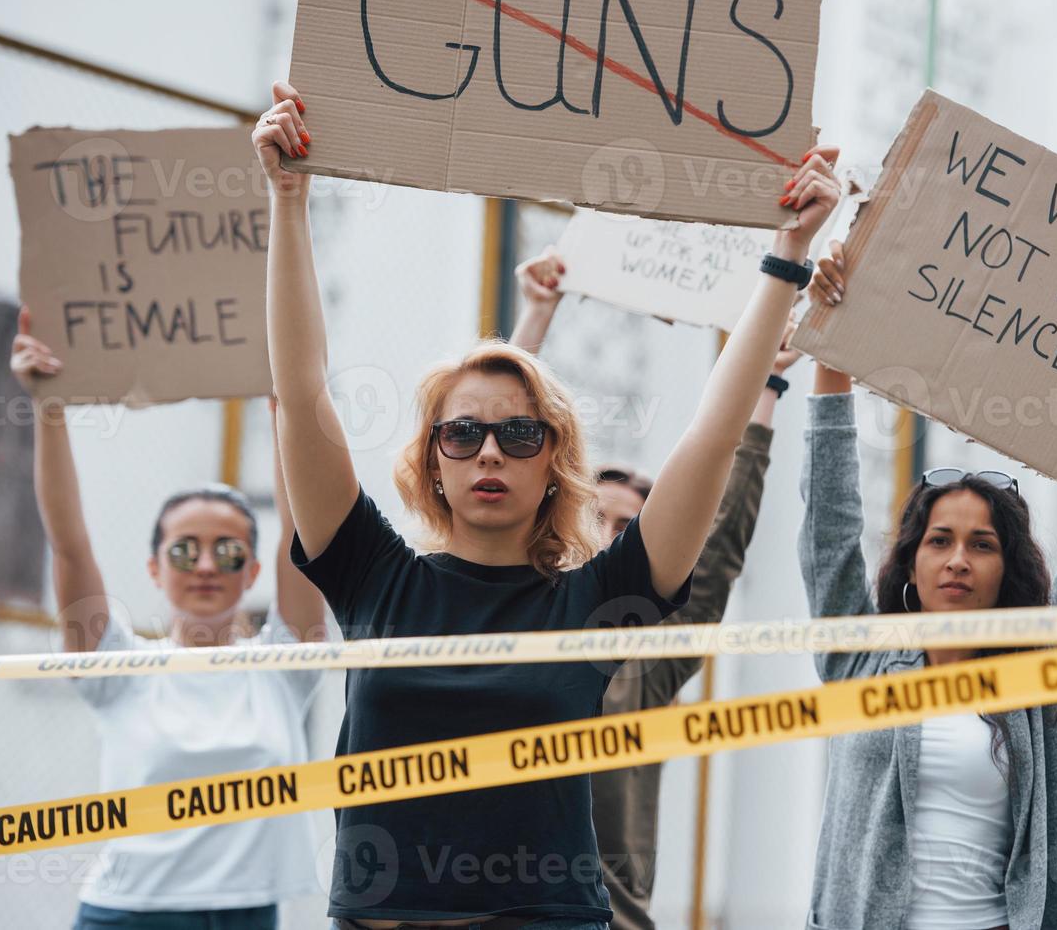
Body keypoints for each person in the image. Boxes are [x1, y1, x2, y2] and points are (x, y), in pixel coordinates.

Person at [252, 80, 839, 928]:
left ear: (554, 462)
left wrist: (787, 254)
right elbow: (299, 387)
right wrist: (288, 198)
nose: (489, 452)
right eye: (463, 436)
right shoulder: (372, 576)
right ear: (433, 462)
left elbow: (710, 439)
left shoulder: (599, 600)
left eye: (519, 437)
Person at [799, 241, 1057, 930]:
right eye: (938, 541)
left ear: (1007, 571)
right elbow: (829, 525)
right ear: (910, 565)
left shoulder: (1042, 681)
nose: (956, 560)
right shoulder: (857, 659)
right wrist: (830, 344)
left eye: (981, 545)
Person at [509, 251, 801, 930]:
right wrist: (537, 315)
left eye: (628, 527)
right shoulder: (503, 614)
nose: (611, 535)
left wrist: (763, 387)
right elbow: (486, 467)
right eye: (597, 519)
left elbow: (720, 540)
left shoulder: (646, 660)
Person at [10, 307, 328, 930]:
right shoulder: (117, 668)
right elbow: (70, 544)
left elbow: (302, 534)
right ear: (154, 569)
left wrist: (284, 411)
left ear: (253, 571)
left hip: (244, 916)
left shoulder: (285, 667)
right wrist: (49, 410)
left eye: (229, 550)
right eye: (184, 550)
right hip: (128, 916)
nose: (206, 564)